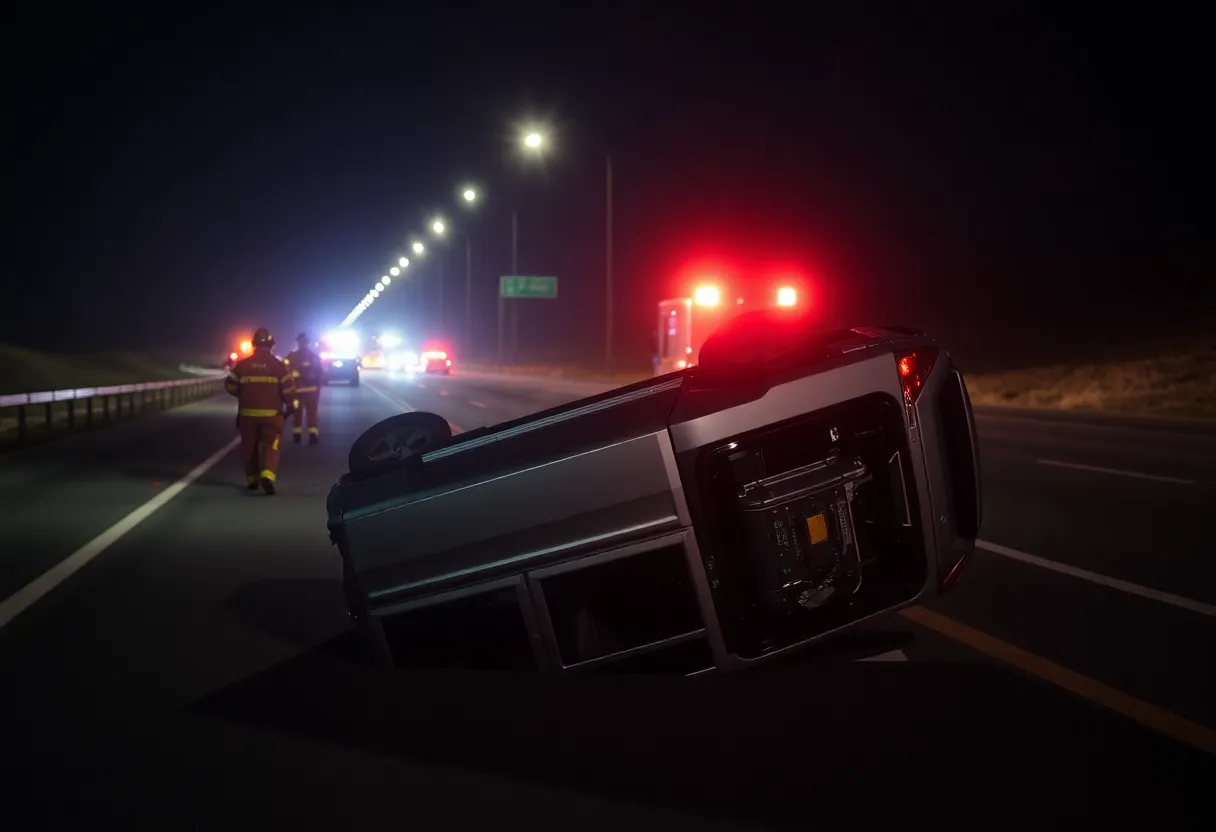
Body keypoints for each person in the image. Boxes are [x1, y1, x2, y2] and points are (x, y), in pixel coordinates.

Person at [224, 327, 297, 495]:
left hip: (247, 416)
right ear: (271, 345)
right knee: (272, 445)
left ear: (254, 344)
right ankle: (267, 475)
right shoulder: (278, 366)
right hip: (272, 415)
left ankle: (252, 480)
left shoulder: (242, 365)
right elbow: (288, 390)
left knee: (249, 448)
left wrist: (243, 394)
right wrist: (290, 405)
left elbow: (229, 385)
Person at [284, 331, 322, 444]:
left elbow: (284, 368)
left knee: (297, 412)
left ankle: (297, 435)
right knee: (312, 413)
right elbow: (320, 372)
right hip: (312, 391)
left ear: (298, 342)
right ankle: (312, 435)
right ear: (308, 343)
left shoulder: (292, 356)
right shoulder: (314, 356)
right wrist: (318, 387)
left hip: (297, 390)